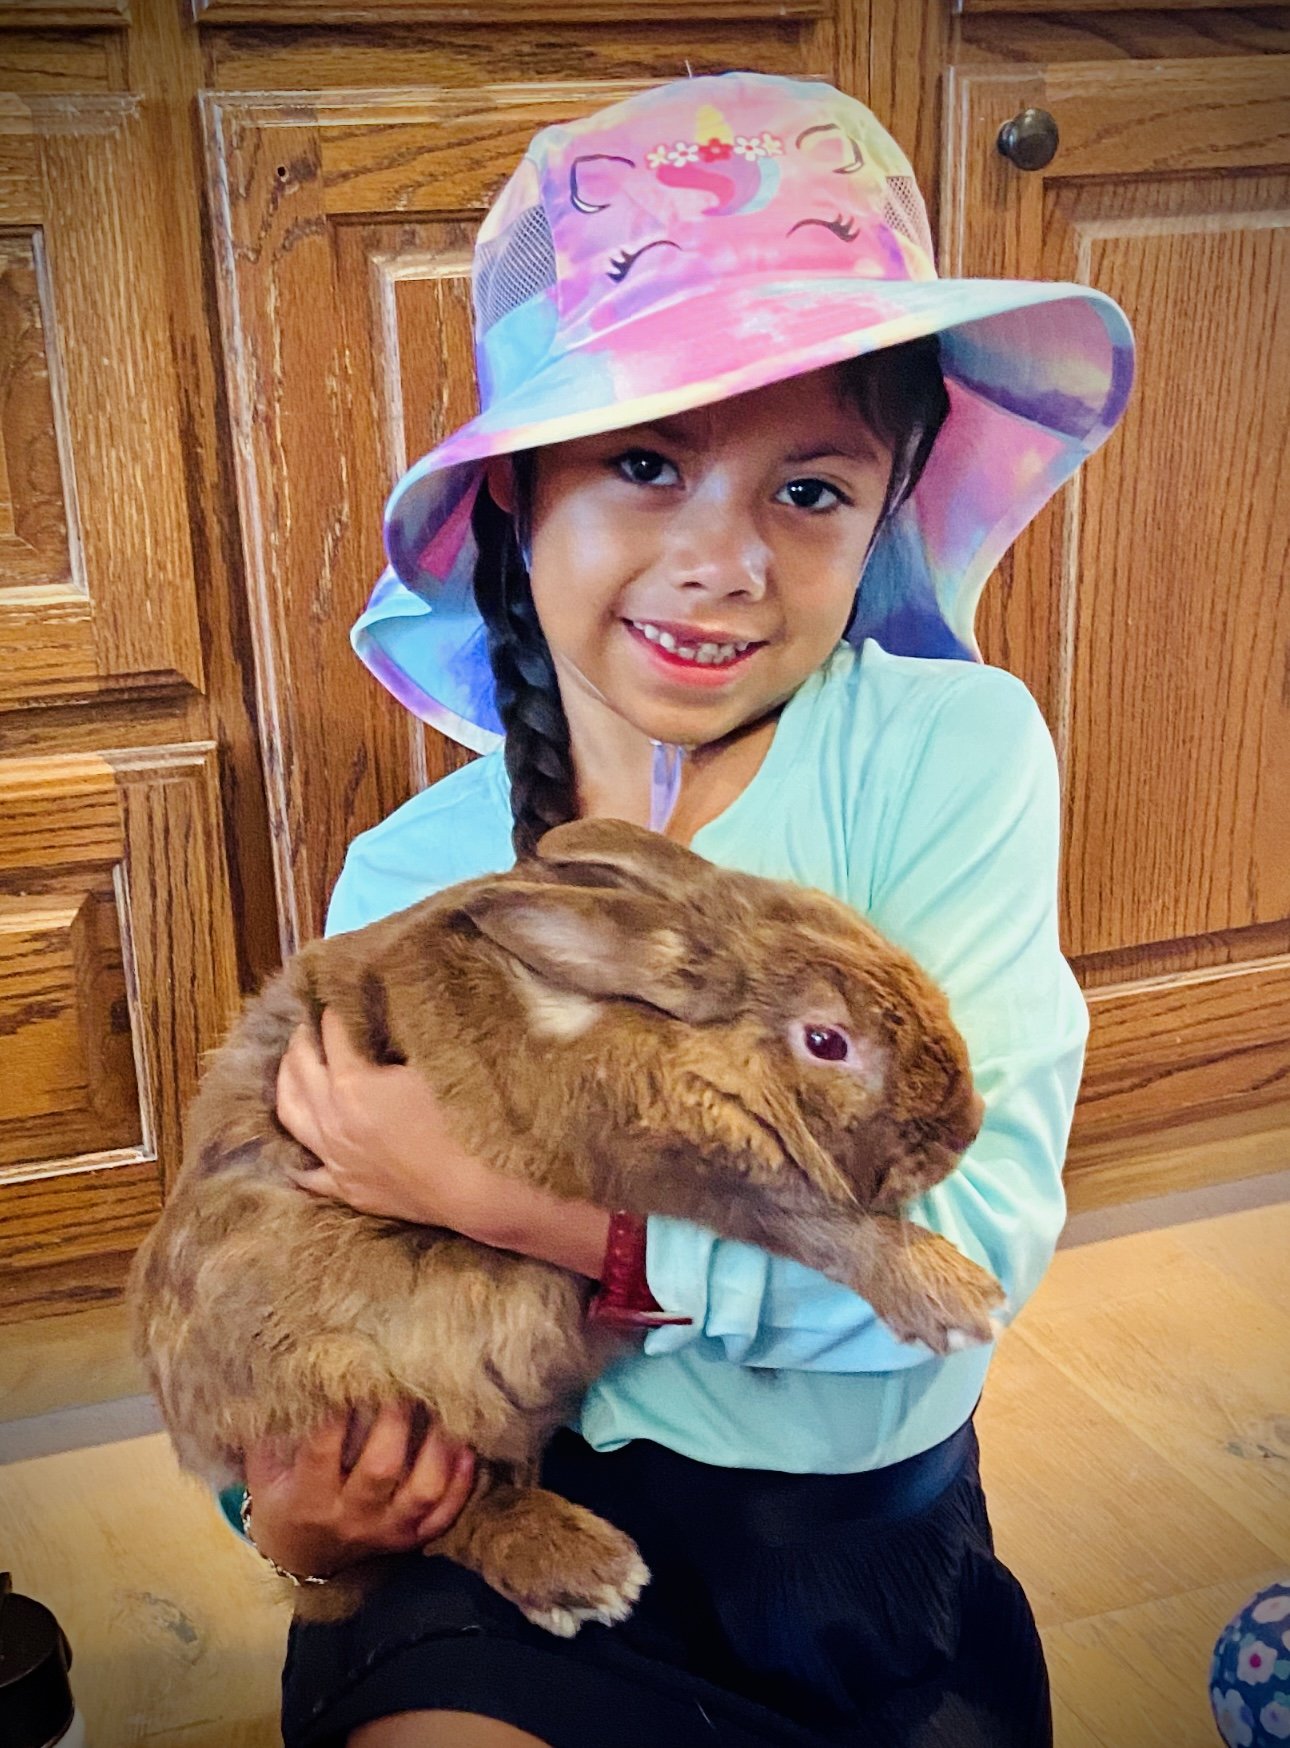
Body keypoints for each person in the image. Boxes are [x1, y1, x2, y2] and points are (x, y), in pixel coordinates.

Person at [237, 70, 1135, 1748]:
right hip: (497, 1548)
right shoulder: (410, 882)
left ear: (885, 508)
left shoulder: (945, 752)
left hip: (852, 1567)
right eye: (646, 462)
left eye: (810, 490)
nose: (725, 564)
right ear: (517, 486)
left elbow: (963, 1256)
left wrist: (546, 1221)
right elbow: (279, 1282)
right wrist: (291, 1527)